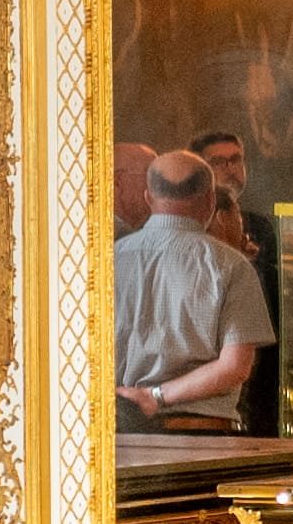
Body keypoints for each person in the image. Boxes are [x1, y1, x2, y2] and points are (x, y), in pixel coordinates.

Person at [115, 152, 272, 429]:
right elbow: (235, 367)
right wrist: (155, 397)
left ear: (148, 198)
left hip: (120, 430)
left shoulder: (108, 260)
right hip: (203, 432)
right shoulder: (231, 266)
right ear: (211, 201)